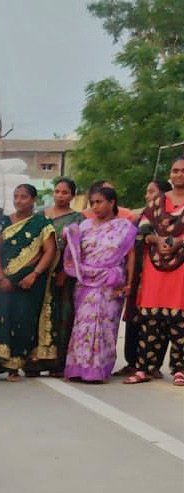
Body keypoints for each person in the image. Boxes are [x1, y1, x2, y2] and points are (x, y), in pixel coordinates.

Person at [60, 185, 138, 383]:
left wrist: (129, 283)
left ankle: (99, 370)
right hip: (86, 281)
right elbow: (74, 251)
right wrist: (69, 235)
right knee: (82, 326)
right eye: (92, 202)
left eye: (99, 202)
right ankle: (78, 369)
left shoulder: (124, 227)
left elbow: (130, 257)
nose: (95, 206)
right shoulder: (84, 226)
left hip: (110, 283)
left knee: (105, 327)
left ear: (112, 203)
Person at [0, 184, 56, 381]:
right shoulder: (4, 222)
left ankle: (15, 367)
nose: (18, 200)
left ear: (33, 200)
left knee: (23, 322)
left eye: (23, 197)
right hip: (4, 279)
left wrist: (34, 275)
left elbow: (49, 251)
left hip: (29, 283)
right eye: (16, 196)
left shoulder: (41, 223)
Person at [125, 156, 184, 386]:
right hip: (155, 265)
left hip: (181, 268)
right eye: (175, 170)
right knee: (151, 318)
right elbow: (142, 228)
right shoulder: (158, 201)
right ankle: (145, 368)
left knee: (180, 319)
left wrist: (180, 242)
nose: (179, 174)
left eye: (183, 171)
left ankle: (180, 369)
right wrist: (154, 239)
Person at [29, 177, 86, 376]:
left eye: (65, 192)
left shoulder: (78, 219)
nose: (60, 196)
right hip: (40, 270)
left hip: (63, 273)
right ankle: (34, 360)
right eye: (57, 191)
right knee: (36, 313)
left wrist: (65, 271)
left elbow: (78, 249)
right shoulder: (41, 216)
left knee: (61, 315)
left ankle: (57, 362)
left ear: (72, 196)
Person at [119, 178, 171, 376]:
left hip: (160, 273)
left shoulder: (169, 218)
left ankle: (152, 364)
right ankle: (132, 361)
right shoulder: (140, 216)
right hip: (138, 273)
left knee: (159, 320)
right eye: (147, 192)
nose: (147, 196)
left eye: (152, 192)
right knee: (134, 317)